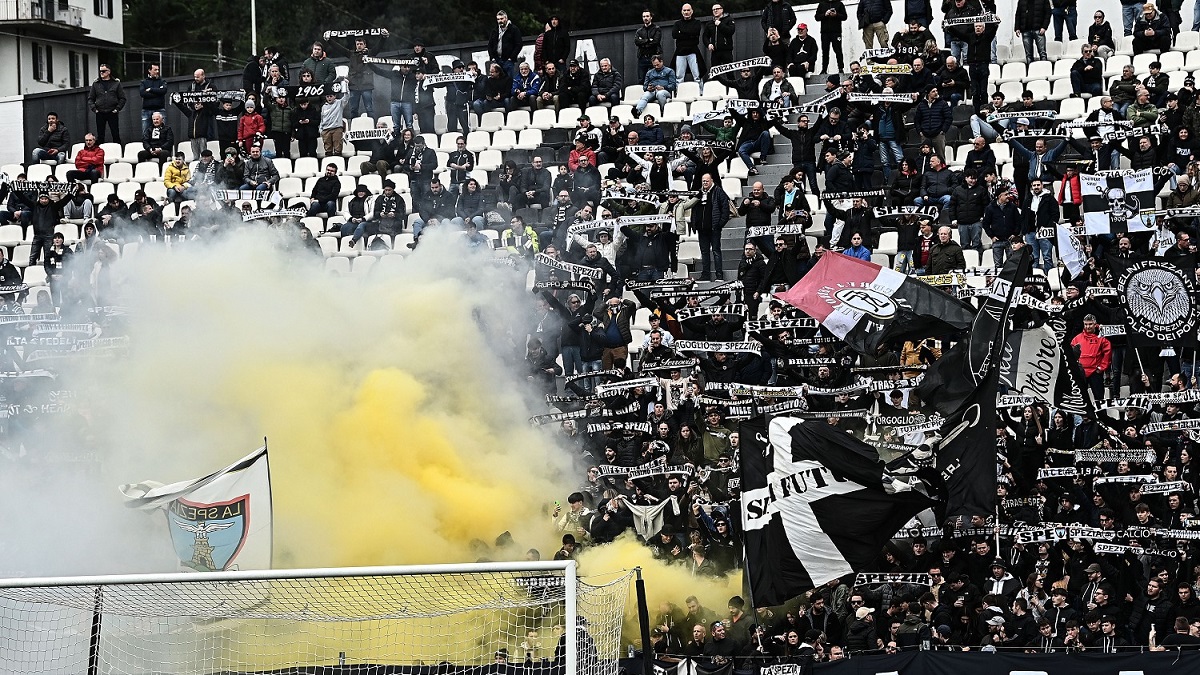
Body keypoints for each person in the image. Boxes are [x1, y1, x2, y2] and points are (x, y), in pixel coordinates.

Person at [691, 173, 730, 281]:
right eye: (703, 181)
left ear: (712, 181)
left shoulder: (718, 191)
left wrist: (719, 224)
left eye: (707, 181)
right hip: (701, 229)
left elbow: (725, 209)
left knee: (716, 251)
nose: (705, 183)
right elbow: (693, 209)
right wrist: (695, 224)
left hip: (714, 228)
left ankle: (719, 275)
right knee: (704, 252)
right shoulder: (698, 193)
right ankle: (705, 275)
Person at [1071, 314, 1112, 401]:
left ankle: (1102, 415)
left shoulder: (1102, 338)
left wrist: (1101, 368)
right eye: (1086, 324)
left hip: (1095, 372)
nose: (1087, 326)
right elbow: (1071, 355)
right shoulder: (1077, 339)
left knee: (1099, 399)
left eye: (1090, 324)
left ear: (1095, 324)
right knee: (1081, 399)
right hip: (1081, 372)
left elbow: (1107, 353)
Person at [87, 63, 125, 145]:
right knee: (100, 135)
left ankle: (118, 152)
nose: (101, 73)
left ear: (109, 72)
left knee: (115, 134)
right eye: (100, 71)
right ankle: (99, 154)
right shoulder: (96, 84)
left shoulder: (116, 83)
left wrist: (117, 108)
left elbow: (122, 98)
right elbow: (90, 98)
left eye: (103, 71)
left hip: (112, 111)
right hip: (100, 112)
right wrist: (94, 109)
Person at [673, 4, 704, 93]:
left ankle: (700, 94)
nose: (686, 12)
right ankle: (679, 94)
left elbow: (695, 32)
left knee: (697, 75)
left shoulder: (697, 22)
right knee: (679, 76)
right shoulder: (677, 23)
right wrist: (689, 34)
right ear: (682, 12)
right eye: (684, 10)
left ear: (692, 11)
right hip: (680, 53)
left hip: (693, 52)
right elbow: (674, 35)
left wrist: (682, 32)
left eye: (688, 10)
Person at [489, 10, 524, 80]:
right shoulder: (495, 30)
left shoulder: (513, 29)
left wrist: (511, 58)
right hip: (497, 59)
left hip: (508, 60)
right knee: (496, 81)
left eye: (501, 19)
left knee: (509, 80)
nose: (500, 21)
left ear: (506, 18)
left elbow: (519, 44)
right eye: (498, 19)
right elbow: (490, 45)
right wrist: (492, 57)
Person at [703, 3, 736, 72]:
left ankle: (731, 83)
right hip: (715, 52)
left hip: (726, 51)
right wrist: (708, 44)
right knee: (715, 73)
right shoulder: (709, 24)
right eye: (713, 9)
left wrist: (720, 24)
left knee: (729, 73)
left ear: (722, 10)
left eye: (717, 9)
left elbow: (730, 31)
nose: (715, 11)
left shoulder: (729, 20)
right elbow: (705, 36)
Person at [319, 85, 349, 158]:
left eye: (331, 96)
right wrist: (321, 129)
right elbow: (322, 118)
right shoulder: (324, 106)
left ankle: (338, 163)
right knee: (328, 149)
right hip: (326, 130)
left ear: (335, 96)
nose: (329, 98)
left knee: (337, 148)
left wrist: (346, 86)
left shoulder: (340, 103)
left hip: (336, 128)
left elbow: (347, 96)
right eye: (327, 96)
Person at [635, 10, 663, 83]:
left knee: (654, 78)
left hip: (653, 57)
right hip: (642, 57)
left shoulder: (656, 29)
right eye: (644, 16)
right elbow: (637, 42)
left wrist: (643, 41)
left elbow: (655, 42)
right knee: (641, 79)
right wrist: (648, 40)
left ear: (651, 17)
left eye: (647, 16)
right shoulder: (639, 31)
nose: (645, 18)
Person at [139, 63, 167, 135]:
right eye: (155, 70)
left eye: (158, 69)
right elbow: (142, 93)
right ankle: (148, 146)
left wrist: (151, 89)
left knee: (162, 132)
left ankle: (160, 146)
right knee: (146, 132)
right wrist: (158, 92)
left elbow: (163, 91)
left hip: (159, 109)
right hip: (147, 110)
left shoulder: (162, 81)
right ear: (149, 70)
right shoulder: (144, 82)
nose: (157, 71)